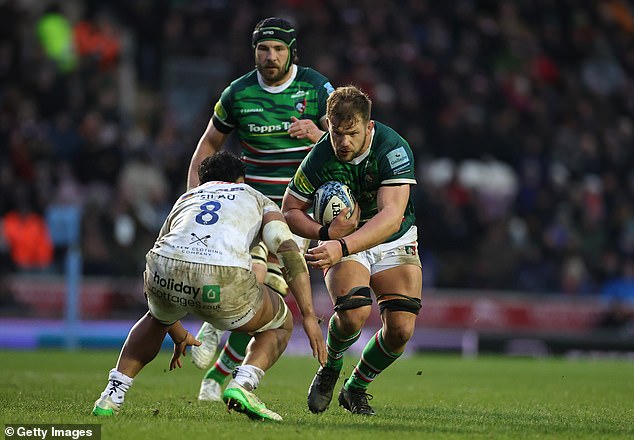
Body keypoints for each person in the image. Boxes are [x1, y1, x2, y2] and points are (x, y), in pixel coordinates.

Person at [92, 151, 326, 421]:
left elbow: (162, 253)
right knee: (279, 322)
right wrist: (308, 314)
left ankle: (111, 395)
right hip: (223, 277)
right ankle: (243, 384)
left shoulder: (187, 198)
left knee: (155, 318)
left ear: (204, 181)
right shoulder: (255, 197)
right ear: (240, 180)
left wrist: (176, 331)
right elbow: (286, 249)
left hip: (165, 268)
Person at [186, 16, 334, 402]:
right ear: (253, 51)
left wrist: (318, 133)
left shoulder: (317, 89)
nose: (270, 57)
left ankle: (218, 370)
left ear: (292, 52)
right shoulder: (238, 93)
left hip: (297, 211)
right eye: (263, 49)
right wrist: (194, 196)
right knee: (251, 284)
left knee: (269, 290)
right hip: (250, 206)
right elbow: (207, 146)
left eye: (279, 49)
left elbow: (344, 146)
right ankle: (215, 344)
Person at [282, 86, 422, 416]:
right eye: (336, 133)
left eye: (352, 134)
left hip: (392, 238)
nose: (344, 142)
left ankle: (355, 388)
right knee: (353, 314)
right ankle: (330, 367)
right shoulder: (320, 155)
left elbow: (391, 217)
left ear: (368, 127)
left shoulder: (393, 148)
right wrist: (324, 233)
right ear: (328, 124)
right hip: (344, 241)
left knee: (401, 330)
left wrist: (341, 244)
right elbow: (290, 209)